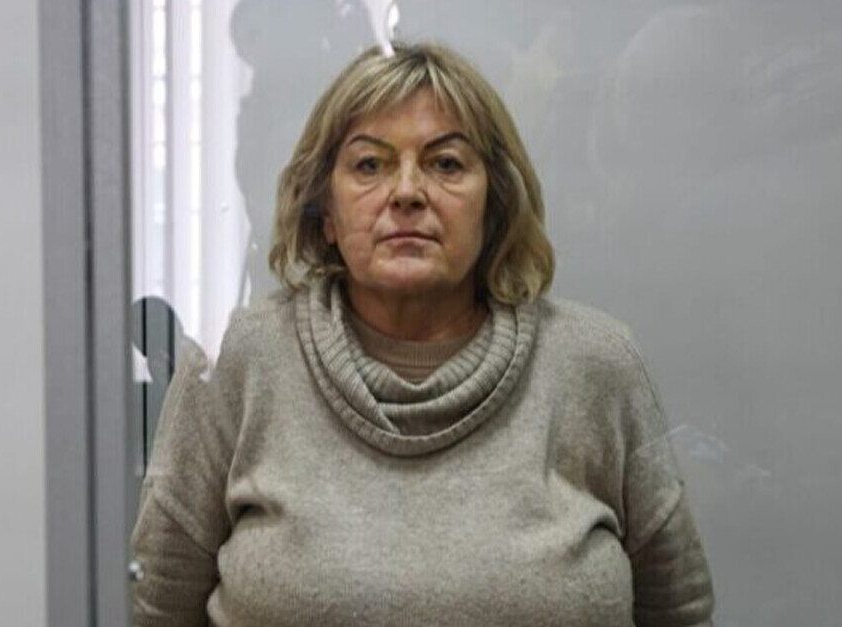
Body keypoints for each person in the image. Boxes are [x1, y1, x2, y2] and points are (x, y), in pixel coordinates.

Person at [130, 41, 715, 626]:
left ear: (494, 205)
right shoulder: (241, 359)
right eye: (369, 165)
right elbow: (155, 607)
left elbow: (679, 611)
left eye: (446, 164)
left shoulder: (595, 365)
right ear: (325, 212)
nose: (407, 192)